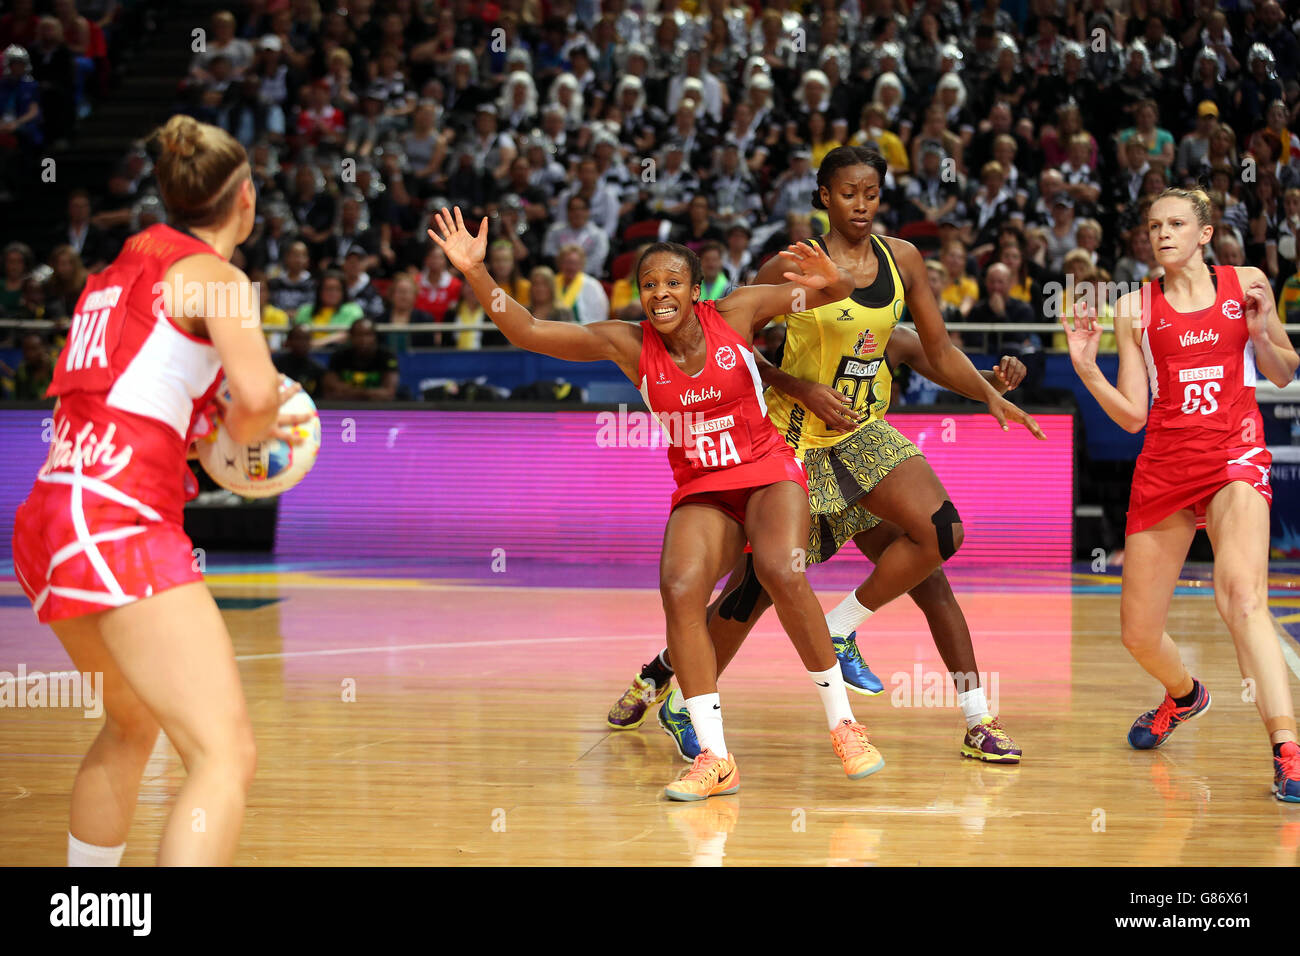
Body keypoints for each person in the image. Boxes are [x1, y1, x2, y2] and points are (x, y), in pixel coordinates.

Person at [429, 205, 887, 800]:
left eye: (673, 283)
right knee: (678, 589)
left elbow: (838, 292)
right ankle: (715, 758)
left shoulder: (739, 309)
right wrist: (476, 272)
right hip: (703, 487)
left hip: (768, 471)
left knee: (779, 568)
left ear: (697, 291)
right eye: (649, 285)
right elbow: (527, 331)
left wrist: (835, 278)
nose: (660, 294)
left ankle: (844, 725)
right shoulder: (626, 342)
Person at [608, 147, 1040, 764]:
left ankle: (968, 713)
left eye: (871, 193)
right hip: (791, 440)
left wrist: (989, 393)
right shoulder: (789, 263)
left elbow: (935, 350)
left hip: (864, 434)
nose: (861, 205)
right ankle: (672, 682)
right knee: (756, 589)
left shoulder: (904, 259)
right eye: (848, 193)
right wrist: (800, 385)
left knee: (937, 542)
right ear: (823, 196)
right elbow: (729, 352)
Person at [9, 114, 309, 865]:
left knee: (131, 719)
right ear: (245, 198)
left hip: (54, 511)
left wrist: (215, 438)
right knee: (223, 753)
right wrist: (254, 435)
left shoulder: (119, 271)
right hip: (117, 514)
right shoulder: (223, 281)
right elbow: (257, 396)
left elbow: (138, 397)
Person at [1061, 188, 1300, 802]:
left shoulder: (1245, 280)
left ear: (1204, 233)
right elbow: (1134, 415)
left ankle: (1287, 752)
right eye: (1152, 226)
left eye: (1175, 224)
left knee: (1242, 598)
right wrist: (1087, 369)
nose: (1161, 234)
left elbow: (1282, 370)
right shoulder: (1134, 308)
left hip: (1233, 455)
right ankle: (1185, 695)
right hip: (1165, 465)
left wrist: (1261, 325)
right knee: (1137, 634)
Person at [322, 317, 399, 401]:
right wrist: (369, 393)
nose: (363, 340)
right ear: (351, 337)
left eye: (368, 335)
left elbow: (389, 393)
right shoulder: (339, 356)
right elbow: (331, 390)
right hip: (345, 409)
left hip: (379, 409)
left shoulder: (387, 356)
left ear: (375, 336)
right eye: (359, 335)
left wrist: (350, 391)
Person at [273, 322, 326, 398]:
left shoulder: (318, 369)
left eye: (306, 339)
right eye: (298, 338)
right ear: (288, 341)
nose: (302, 343)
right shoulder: (276, 365)